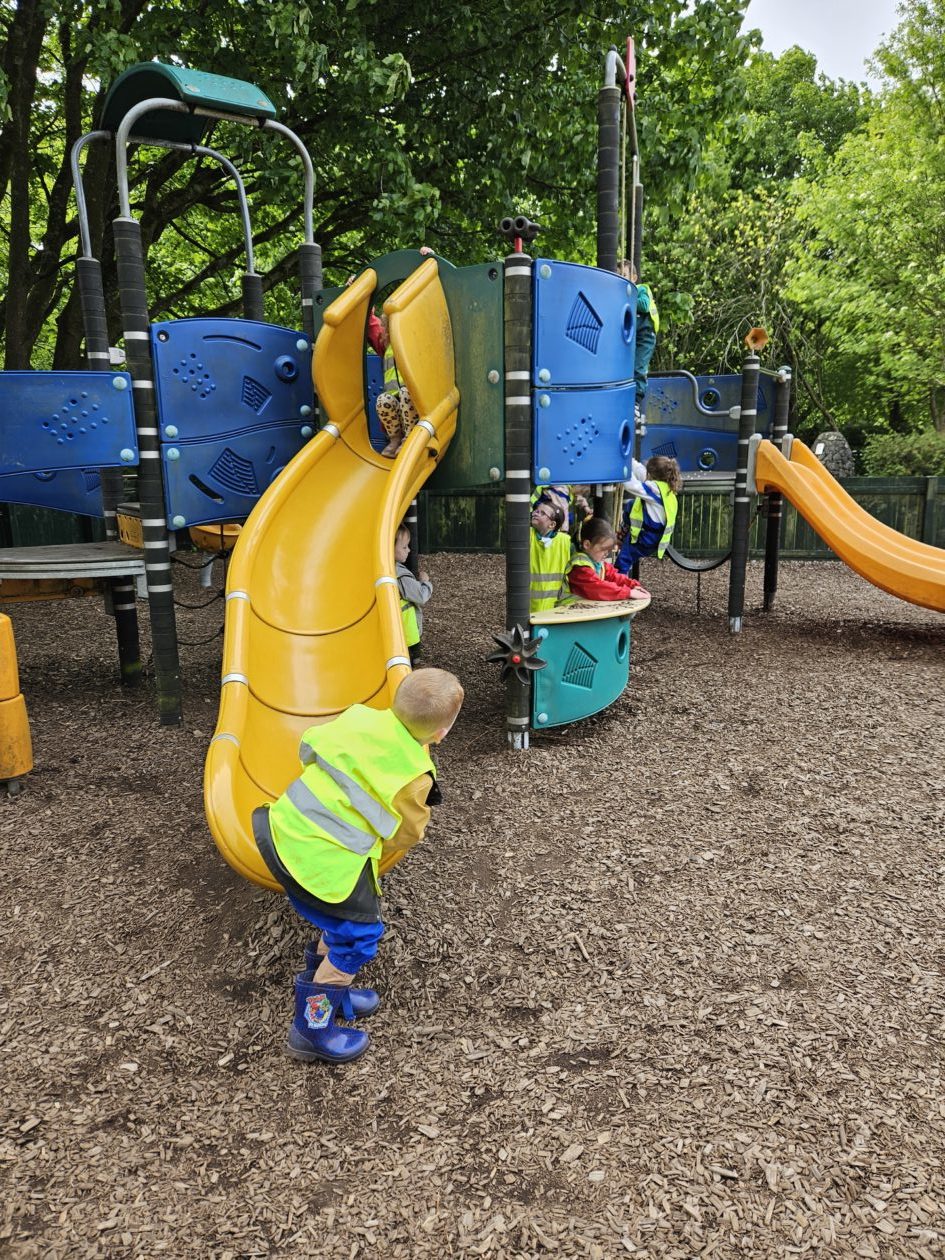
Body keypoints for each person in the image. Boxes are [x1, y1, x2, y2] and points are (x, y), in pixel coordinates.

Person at [252, 668, 465, 1065]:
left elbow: (309, 748)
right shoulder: (412, 776)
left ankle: (332, 989)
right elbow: (407, 833)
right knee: (359, 937)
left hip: (279, 828)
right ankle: (311, 1030)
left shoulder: (358, 716)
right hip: (319, 860)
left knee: (340, 925)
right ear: (441, 734)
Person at [614, 455, 683, 574]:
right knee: (632, 505)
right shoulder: (665, 488)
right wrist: (627, 459)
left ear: (650, 474)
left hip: (646, 538)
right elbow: (640, 470)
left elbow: (632, 486)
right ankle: (624, 535)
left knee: (623, 561)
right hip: (655, 537)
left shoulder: (655, 489)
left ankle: (619, 582)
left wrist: (622, 467)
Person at [560, 516, 650, 603]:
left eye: (608, 550)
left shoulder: (598, 563)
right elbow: (598, 588)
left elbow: (614, 576)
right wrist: (628, 593)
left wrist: (633, 585)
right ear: (587, 544)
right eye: (603, 549)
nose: (606, 554)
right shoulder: (579, 567)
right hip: (569, 609)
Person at [619, 259, 659, 417]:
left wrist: (628, 295)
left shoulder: (641, 289)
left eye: (624, 275)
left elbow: (643, 304)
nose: (621, 278)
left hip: (646, 335)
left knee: (639, 367)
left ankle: (635, 402)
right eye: (618, 275)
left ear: (634, 278)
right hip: (632, 335)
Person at [395, 522, 432, 665]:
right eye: (404, 547)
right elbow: (421, 596)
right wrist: (425, 582)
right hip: (407, 636)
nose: (409, 550)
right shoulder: (401, 576)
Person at [529, 499, 572, 614]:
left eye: (542, 513)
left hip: (556, 607)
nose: (536, 513)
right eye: (536, 510)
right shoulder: (527, 535)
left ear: (552, 525)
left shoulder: (566, 542)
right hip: (528, 606)